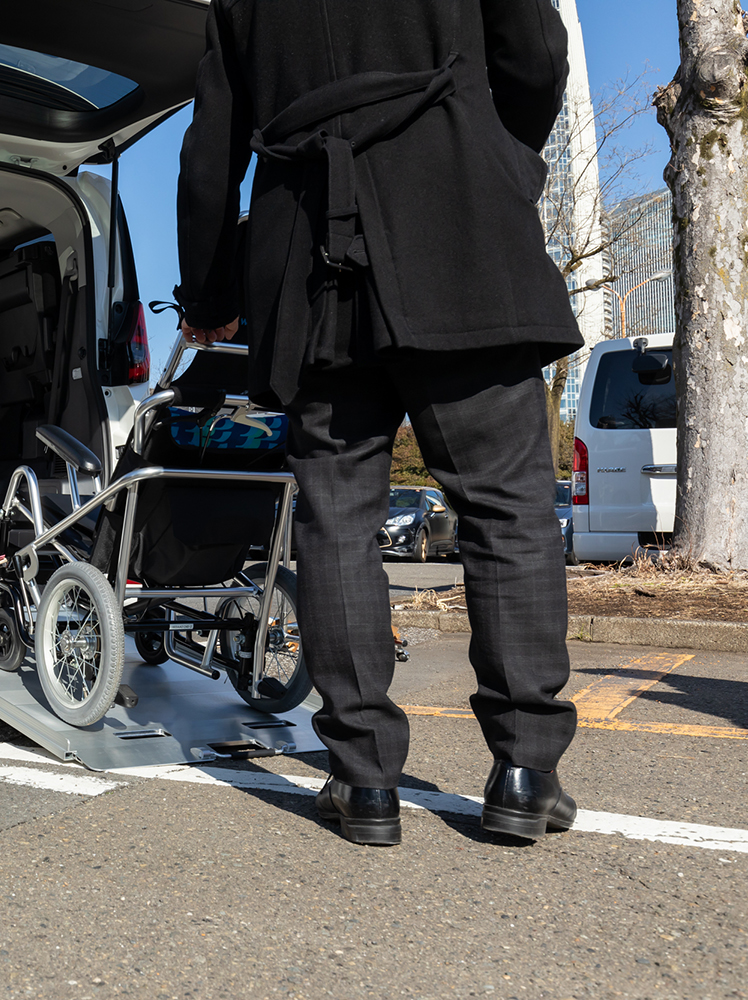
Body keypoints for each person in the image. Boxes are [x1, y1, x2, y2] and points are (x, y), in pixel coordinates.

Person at [175, 0, 583, 845]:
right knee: (507, 508)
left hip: (309, 254)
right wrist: (496, 156)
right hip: (457, 217)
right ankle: (524, 769)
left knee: (338, 524)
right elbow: (536, 53)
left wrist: (209, 297)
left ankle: (363, 780)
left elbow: (211, 143)